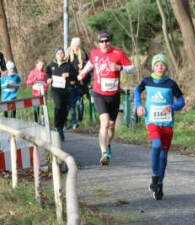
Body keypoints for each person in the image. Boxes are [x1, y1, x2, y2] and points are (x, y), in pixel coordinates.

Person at [77, 31, 135, 165]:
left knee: (111, 125)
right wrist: (83, 74)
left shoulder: (118, 53)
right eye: (101, 41)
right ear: (98, 43)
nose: (104, 44)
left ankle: (108, 145)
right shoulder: (94, 53)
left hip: (114, 94)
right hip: (99, 93)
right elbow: (90, 64)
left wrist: (119, 68)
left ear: (110, 41)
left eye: (107, 41)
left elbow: (131, 68)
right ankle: (103, 153)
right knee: (104, 123)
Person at [134, 54, 185, 200]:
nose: (159, 67)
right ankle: (155, 176)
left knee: (163, 156)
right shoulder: (147, 81)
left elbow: (182, 101)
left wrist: (173, 107)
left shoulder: (171, 84)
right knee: (156, 145)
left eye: (162, 65)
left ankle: (159, 184)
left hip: (167, 124)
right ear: (153, 67)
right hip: (152, 121)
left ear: (166, 67)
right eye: (157, 65)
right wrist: (139, 106)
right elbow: (137, 91)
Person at [46, 47, 77, 141]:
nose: (60, 55)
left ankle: (60, 127)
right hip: (55, 90)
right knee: (58, 106)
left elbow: (75, 75)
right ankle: (57, 126)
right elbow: (47, 75)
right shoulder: (51, 65)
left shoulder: (68, 65)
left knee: (65, 110)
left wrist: (69, 75)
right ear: (55, 55)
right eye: (58, 53)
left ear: (64, 55)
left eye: (61, 53)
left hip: (66, 90)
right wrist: (48, 79)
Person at [65, 37, 90, 129]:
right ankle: (70, 121)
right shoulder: (68, 54)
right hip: (70, 82)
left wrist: (82, 69)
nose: (75, 48)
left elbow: (89, 69)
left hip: (80, 82)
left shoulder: (83, 55)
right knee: (71, 103)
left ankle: (80, 120)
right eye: (73, 46)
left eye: (77, 46)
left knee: (80, 102)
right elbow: (64, 66)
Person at [26, 59, 49, 123]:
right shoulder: (32, 72)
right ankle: (36, 122)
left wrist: (46, 85)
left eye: (42, 65)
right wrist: (34, 80)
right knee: (36, 108)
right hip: (35, 93)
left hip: (43, 93)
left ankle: (44, 122)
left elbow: (47, 82)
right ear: (36, 65)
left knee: (43, 108)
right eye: (40, 65)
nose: (41, 66)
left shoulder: (44, 72)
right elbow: (28, 82)